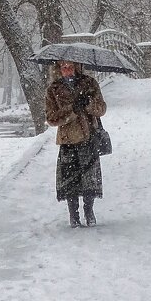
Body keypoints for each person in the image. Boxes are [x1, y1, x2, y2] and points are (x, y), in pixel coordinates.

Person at [45, 60, 107, 227]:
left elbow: (101, 109)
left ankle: (89, 211)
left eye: (71, 67)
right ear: (59, 69)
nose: (68, 70)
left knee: (89, 178)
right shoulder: (53, 89)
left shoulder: (89, 84)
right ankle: (73, 214)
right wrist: (72, 109)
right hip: (68, 140)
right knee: (70, 180)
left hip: (89, 137)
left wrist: (88, 105)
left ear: (77, 67)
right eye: (64, 68)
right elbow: (51, 118)